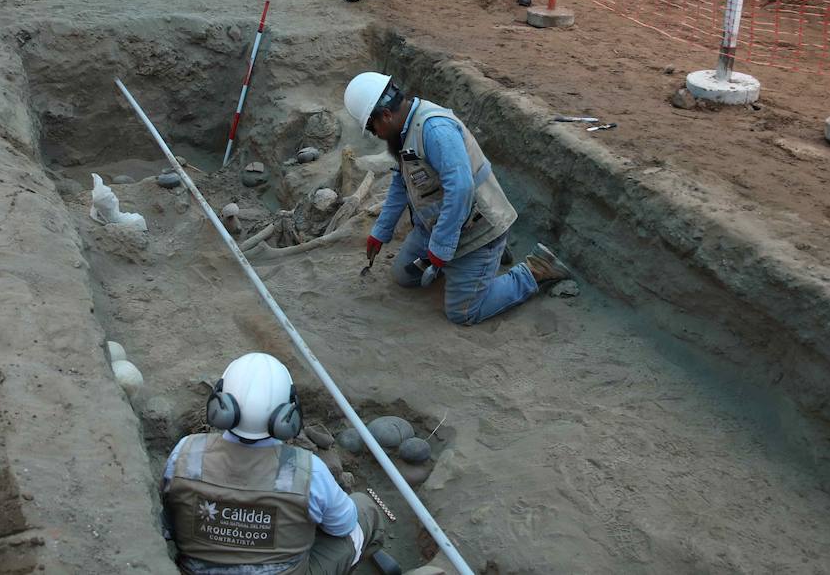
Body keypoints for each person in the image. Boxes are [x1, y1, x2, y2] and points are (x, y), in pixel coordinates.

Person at [343, 72, 573, 325]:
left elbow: (461, 189)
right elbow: (401, 182)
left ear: (385, 114)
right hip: (441, 226)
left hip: (478, 228)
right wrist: (381, 231)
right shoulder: (403, 131)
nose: (375, 134)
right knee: (404, 276)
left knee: (463, 312)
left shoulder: (434, 130)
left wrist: (441, 248)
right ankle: (480, 261)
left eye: (372, 127)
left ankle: (535, 270)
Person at [162, 352, 396, 574]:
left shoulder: (185, 452)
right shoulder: (308, 470)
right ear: (288, 413)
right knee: (364, 509)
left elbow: (170, 519)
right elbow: (343, 527)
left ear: (220, 403)